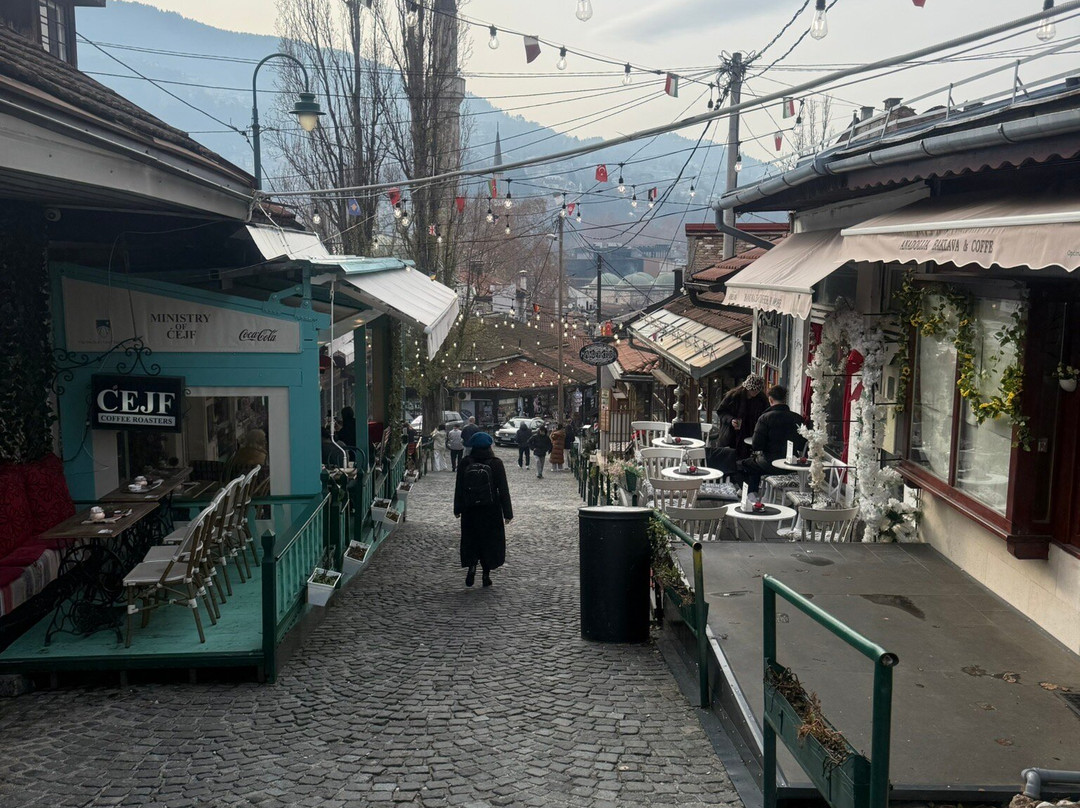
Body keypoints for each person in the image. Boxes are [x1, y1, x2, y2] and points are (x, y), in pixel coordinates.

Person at [454, 432, 513, 588]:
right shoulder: (496, 463)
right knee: (489, 542)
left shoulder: (465, 462)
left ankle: (472, 566)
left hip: (470, 509)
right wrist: (507, 513)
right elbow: (503, 489)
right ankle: (486, 575)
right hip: (491, 510)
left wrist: (457, 508)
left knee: (471, 539)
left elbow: (459, 487)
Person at [734, 384, 807, 500]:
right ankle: (754, 493)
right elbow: (803, 444)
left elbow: (757, 445)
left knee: (740, 465)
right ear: (785, 400)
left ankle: (751, 493)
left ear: (770, 400)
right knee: (753, 464)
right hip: (791, 465)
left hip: (769, 464)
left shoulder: (765, 418)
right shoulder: (798, 418)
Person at [715, 374, 769, 460]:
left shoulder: (762, 399)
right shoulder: (733, 396)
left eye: (757, 390)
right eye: (753, 390)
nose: (755, 392)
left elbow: (766, 413)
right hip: (731, 434)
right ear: (747, 388)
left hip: (750, 433)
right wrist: (731, 420)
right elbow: (721, 411)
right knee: (728, 458)